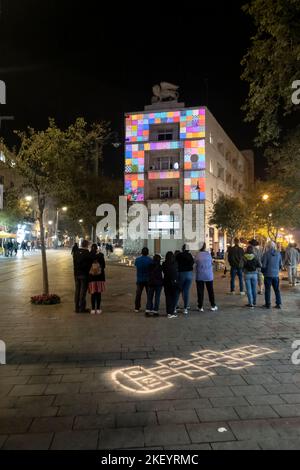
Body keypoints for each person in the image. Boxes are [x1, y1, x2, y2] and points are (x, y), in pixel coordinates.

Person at [195, 243, 218, 312]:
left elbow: (195, 263)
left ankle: (200, 306)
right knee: (210, 291)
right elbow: (211, 262)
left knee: (200, 291)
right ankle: (213, 305)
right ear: (205, 247)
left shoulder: (197, 255)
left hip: (200, 275)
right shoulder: (208, 254)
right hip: (208, 275)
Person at [261, 241, 283, 309]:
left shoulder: (266, 254)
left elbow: (264, 265)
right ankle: (278, 303)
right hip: (276, 275)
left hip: (268, 275)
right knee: (277, 290)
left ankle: (268, 304)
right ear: (274, 246)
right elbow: (280, 265)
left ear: (268, 246)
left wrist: (263, 272)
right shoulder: (278, 254)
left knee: (267, 290)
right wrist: (277, 271)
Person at [175, 244, 194, 315]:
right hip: (189, 274)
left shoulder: (179, 255)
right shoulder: (190, 256)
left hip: (181, 274)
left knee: (178, 290)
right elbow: (192, 263)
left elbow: (175, 264)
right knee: (186, 291)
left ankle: (175, 307)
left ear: (182, 248)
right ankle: (185, 308)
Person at [73, 239, 91, 313]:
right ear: (87, 245)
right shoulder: (87, 253)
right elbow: (89, 265)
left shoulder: (76, 252)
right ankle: (82, 308)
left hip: (76, 274)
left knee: (77, 290)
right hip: (84, 274)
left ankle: (76, 308)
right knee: (83, 292)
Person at [88, 243, 105, 314]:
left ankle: (92, 309)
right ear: (97, 248)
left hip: (92, 278)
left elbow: (87, 267)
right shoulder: (101, 256)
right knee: (98, 294)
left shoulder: (89, 256)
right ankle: (98, 309)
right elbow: (103, 266)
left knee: (93, 293)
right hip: (99, 278)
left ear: (91, 248)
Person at [134, 247, 153, 313]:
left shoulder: (137, 259)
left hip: (139, 279)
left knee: (138, 294)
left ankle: (137, 307)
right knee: (149, 294)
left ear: (141, 252)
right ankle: (149, 307)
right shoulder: (150, 260)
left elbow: (136, 266)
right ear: (147, 253)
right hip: (148, 279)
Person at [162, 251, 179, 318]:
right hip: (174, 282)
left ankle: (169, 312)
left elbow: (164, 271)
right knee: (174, 297)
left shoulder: (164, 263)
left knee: (168, 297)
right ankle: (172, 312)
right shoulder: (175, 263)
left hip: (166, 282)